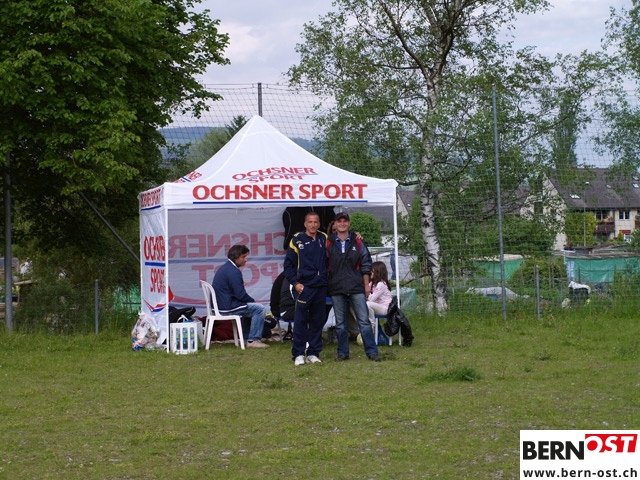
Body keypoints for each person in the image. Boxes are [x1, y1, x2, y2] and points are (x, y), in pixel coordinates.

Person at [327, 212, 380, 362]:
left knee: (364, 321)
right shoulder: (328, 242)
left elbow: (366, 264)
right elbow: (325, 264)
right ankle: (343, 353)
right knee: (340, 323)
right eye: (339, 221)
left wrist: (366, 285)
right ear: (335, 224)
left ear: (349, 223)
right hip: (337, 287)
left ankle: (372, 352)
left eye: (345, 221)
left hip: (356, 286)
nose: (342, 224)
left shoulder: (358, 241)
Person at [283, 211, 328, 366]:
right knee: (301, 322)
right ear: (305, 224)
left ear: (319, 224)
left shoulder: (324, 238)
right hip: (304, 287)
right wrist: (295, 283)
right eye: (310, 222)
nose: (313, 225)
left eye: (316, 222)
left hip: (320, 286)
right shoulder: (297, 240)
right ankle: (298, 354)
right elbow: (288, 265)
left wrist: (357, 236)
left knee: (317, 321)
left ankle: (313, 353)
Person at [211, 244, 270, 348]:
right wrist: (252, 301)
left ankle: (247, 338)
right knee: (259, 309)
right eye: (243, 257)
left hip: (222, 305)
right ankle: (253, 340)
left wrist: (250, 302)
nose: (246, 259)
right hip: (226, 307)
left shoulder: (226, 268)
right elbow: (240, 295)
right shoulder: (233, 271)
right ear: (236, 257)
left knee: (251, 308)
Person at [367, 261, 393, 331]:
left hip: (385, 308)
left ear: (377, 273)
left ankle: (372, 326)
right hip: (378, 306)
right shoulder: (372, 283)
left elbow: (371, 299)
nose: (370, 273)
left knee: (367, 304)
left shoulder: (381, 284)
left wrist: (367, 292)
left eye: (372, 271)